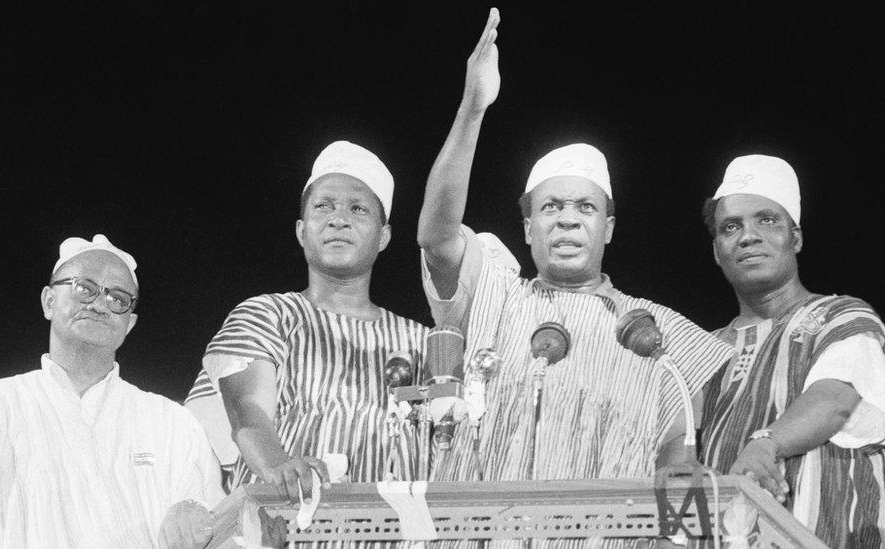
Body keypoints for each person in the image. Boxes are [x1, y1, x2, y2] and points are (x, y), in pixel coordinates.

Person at [417, 7, 732, 508]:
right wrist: (472, 110)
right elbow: (436, 238)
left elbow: (679, 449)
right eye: (551, 207)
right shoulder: (494, 294)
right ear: (527, 228)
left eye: (585, 207)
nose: (567, 220)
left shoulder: (657, 333)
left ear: (607, 228)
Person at [0, 234, 225, 548]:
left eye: (118, 298)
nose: (100, 304)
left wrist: (196, 511)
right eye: (84, 288)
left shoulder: (173, 423)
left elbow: (219, 525)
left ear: (129, 324)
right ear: (49, 301)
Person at [185, 141, 428, 504]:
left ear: (384, 236)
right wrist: (279, 466)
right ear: (302, 231)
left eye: (358, 208)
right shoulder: (267, 314)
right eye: (323, 206)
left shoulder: (420, 342)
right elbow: (247, 413)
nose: (338, 219)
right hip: (284, 524)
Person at [699, 154, 885, 547]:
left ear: (795, 237)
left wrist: (767, 442)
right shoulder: (704, 351)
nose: (747, 236)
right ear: (717, 251)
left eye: (766, 220)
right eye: (731, 227)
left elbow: (834, 399)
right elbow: (680, 459)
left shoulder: (842, 316)